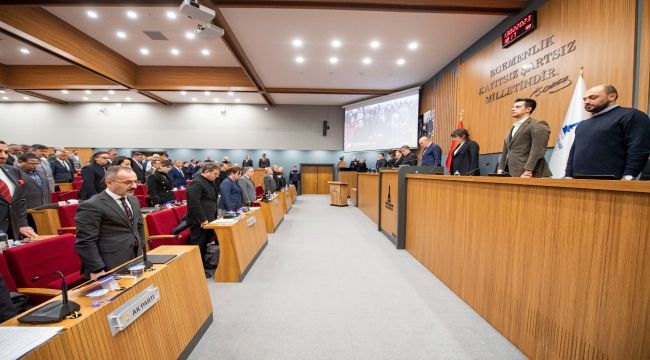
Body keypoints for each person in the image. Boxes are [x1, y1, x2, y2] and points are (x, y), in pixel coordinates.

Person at [565, 84, 650, 179]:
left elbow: (638, 148)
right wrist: (568, 175)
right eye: (584, 99)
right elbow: (573, 151)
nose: (587, 102)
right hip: (579, 180)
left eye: (592, 97)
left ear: (611, 96)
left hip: (615, 182)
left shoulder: (631, 116)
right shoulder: (583, 125)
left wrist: (629, 176)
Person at [74, 166, 144, 280]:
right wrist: (97, 269)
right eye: (128, 182)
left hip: (135, 258)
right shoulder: (91, 205)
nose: (134, 186)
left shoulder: (133, 200)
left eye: (135, 181)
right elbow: (85, 241)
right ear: (109, 182)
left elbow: (138, 226)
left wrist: (142, 249)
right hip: (108, 264)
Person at [497, 98, 552, 178]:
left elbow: (537, 150)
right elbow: (506, 151)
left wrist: (528, 170)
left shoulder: (538, 125)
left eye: (517, 107)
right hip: (512, 173)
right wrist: (500, 170)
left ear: (528, 109)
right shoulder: (513, 127)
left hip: (532, 174)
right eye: (513, 107)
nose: (512, 109)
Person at [0, 141, 38, 240]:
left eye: (6, 152)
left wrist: (23, 224)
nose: (3, 156)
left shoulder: (13, 171)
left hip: (13, 229)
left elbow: (20, 199)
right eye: (0, 151)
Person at [186, 163, 219, 277]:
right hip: (199, 221)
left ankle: (203, 264)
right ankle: (197, 270)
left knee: (205, 244)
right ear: (206, 172)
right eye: (215, 174)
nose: (217, 176)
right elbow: (194, 204)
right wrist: (202, 220)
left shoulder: (209, 182)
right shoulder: (196, 183)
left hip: (209, 219)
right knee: (198, 245)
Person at [18, 153, 52, 230]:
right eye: (31, 163)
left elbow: (47, 190)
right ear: (21, 162)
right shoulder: (16, 173)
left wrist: (50, 204)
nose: (34, 165)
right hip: (28, 209)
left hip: (45, 207)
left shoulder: (40, 172)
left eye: (36, 163)